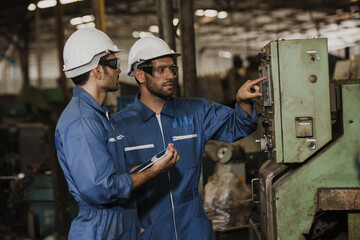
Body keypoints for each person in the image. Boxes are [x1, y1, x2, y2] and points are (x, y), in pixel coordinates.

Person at [113, 35, 266, 240]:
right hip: (150, 230)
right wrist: (131, 227)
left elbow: (239, 125)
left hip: (193, 227)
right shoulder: (118, 126)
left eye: (172, 69)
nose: (170, 75)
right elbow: (111, 186)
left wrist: (242, 101)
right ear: (140, 75)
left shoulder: (196, 111)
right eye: (161, 70)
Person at [54, 28, 179, 240]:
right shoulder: (82, 122)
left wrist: (149, 164)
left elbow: (111, 172)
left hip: (117, 225)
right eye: (113, 64)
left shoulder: (99, 116)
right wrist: (153, 172)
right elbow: (102, 189)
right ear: (97, 71)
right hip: (99, 230)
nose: (119, 70)